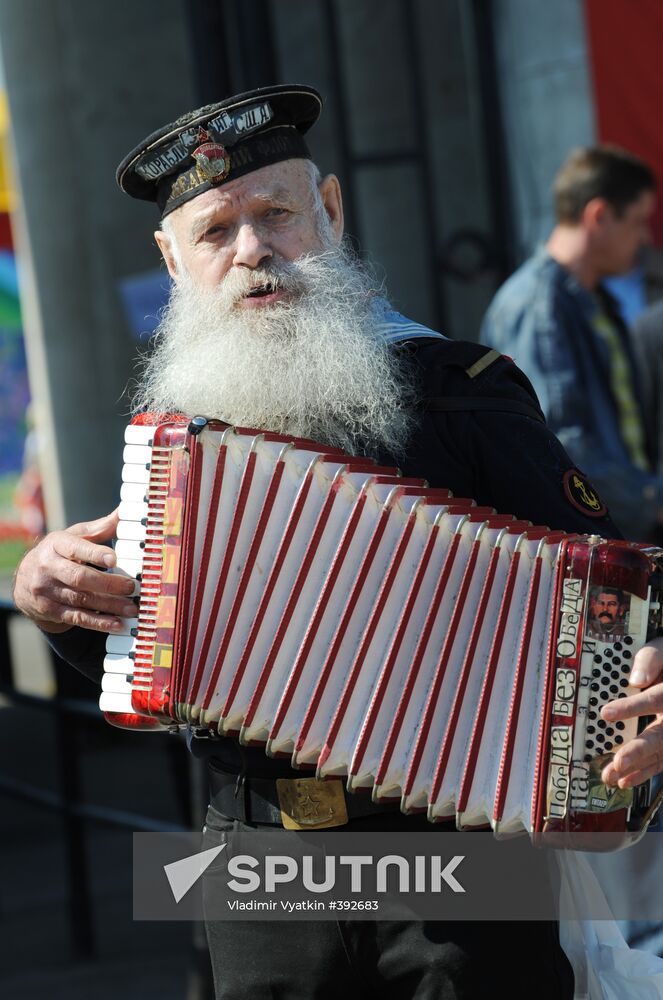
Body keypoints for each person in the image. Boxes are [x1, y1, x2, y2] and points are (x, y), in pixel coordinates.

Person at [11, 86, 663, 1000]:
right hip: (252, 855)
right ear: (170, 258)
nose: (252, 251)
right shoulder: (174, 429)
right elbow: (148, 663)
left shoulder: (461, 391)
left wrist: (650, 661)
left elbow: (619, 598)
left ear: (329, 210)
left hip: (452, 849)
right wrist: (54, 598)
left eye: (276, 213)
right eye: (214, 232)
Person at [481, 145, 663, 542]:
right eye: (637, 222)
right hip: (583, 547)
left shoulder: (590, 297)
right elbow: (558, 445)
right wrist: (651, 501)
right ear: (598, 215)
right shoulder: (537, 305)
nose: (645, 237)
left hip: (621, 531)